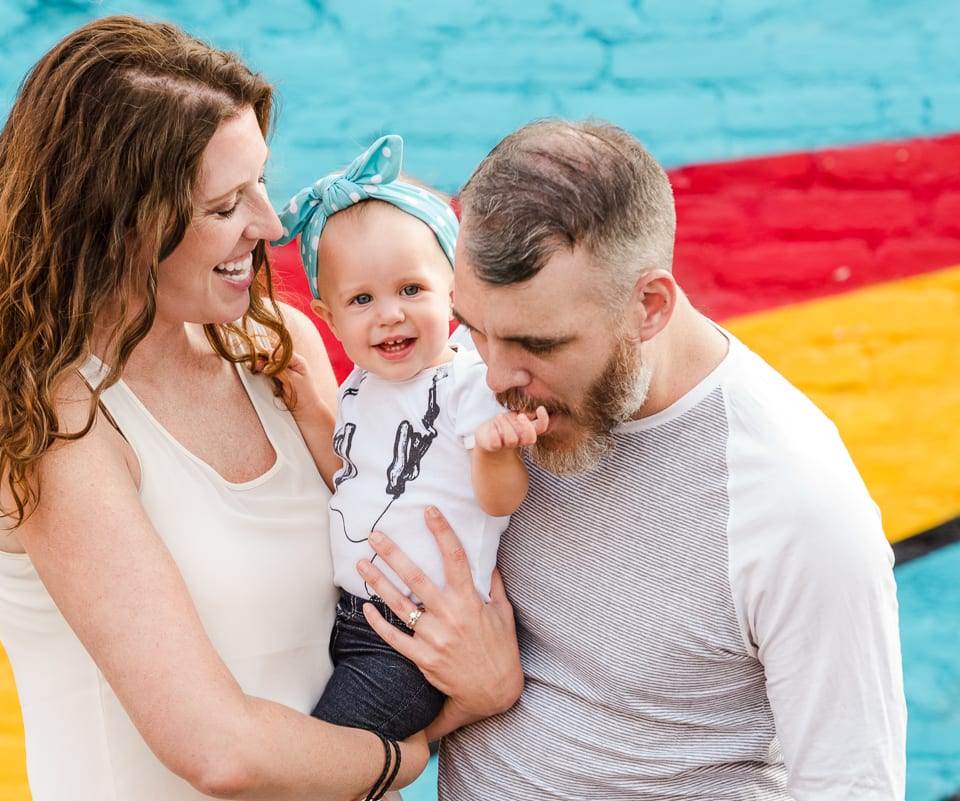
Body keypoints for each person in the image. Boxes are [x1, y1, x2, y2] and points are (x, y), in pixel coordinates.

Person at [0, 16, 514, 801]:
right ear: (120, 222)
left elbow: (402, 533)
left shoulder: (278, 347)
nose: (269, 226)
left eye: (260, 184)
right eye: (225, 205)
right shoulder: (53, 421)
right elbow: (218, 748)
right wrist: (425, 742)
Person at [354, 119, 907, 800]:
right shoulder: (471, 387)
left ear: (649, 305)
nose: (494, 375)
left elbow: (850, 786)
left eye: (540, 345)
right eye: (473, 328)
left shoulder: (796, 502)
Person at [271, 134, 547, 742]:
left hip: (413, 637)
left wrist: (496, 451)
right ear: (328, 317)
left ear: (454, 290)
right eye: (361, 299)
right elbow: (351, 476)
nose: (389, 313)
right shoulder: (361, 385)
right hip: (350, 617)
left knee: (328, 755)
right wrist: (306, 402)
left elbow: (499, 501)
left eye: (411, 289)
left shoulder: (468, 383)